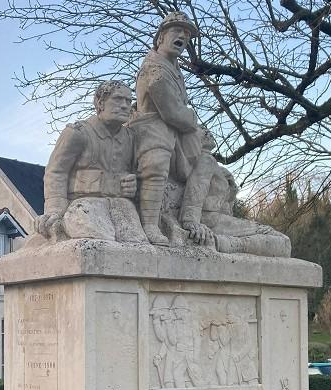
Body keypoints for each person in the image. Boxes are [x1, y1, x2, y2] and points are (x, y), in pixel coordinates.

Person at [33, 80, 148, 244]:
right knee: (99, 242)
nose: (125, 105)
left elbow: (138, 173)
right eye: (117, 99)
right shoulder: (77, 133)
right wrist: (55, 210)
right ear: (100, 103)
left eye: (128, 101)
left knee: (138, 244)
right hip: (83, 205)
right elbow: (56, 172)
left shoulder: (131, 138)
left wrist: (133, 185)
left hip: (121, 205)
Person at [129, 12, 203, 246]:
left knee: (207, 163)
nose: (183, 35)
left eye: (187, 33)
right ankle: (150, 224)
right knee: (157, 161)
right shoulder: (155, 70)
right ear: (161, 37)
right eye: (177, 30)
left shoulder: (173, 67)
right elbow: (173, 113)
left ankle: (191, 217)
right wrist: (192, 119)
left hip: (174, 134)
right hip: (152, 130)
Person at [181, 128, 292, 257]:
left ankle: (224, 244)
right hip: (211, 221)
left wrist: (231, 187)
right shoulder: (206, 159)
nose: (208, 133)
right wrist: (191, 222)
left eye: (208, 130)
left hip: (217, 220)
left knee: (280, 240)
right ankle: (220, 244)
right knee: (283, 242)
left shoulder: (214, 165)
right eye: (202, 130)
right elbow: (196, 188)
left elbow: (224, 206)